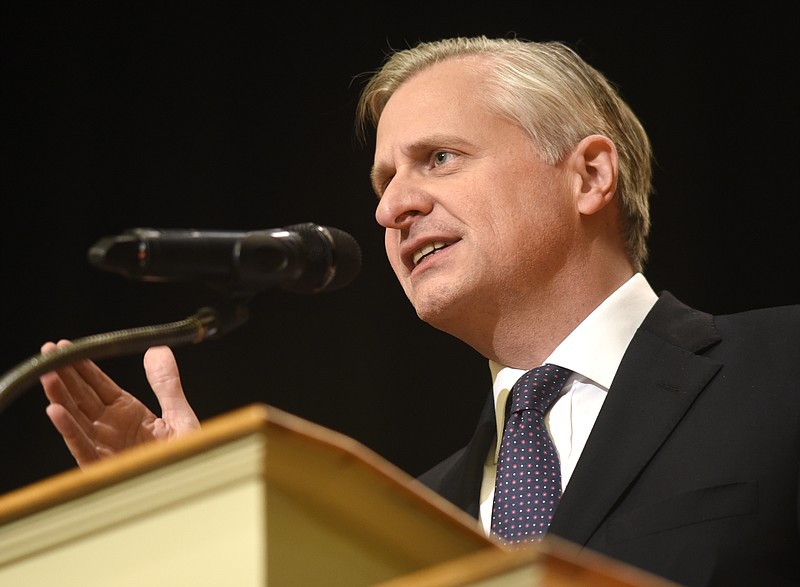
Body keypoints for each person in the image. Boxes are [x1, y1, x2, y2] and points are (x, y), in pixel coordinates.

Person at [40, 36, 800, 586]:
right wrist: (201, 541)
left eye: (438, 158)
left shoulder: (781, 368)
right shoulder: (411, 519)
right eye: (382, 180)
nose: (391, 208)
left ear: (590, 175)